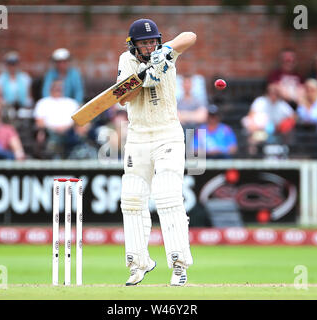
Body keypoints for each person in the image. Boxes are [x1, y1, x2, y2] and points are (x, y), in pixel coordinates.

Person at [117, 18, 196, 286]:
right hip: (137, 136)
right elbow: (122, 98)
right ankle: (138, 263)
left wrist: (166, 50)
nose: (150, 46)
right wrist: (143, 76)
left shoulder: (166, 53)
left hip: (168, 134)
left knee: (168, 196)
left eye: (154, 41)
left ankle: (179, 264)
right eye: (144, 43)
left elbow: (191, 35)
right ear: (133, 46)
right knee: (131, 200)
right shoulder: (126, 61)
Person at [242, 83, 296, 154]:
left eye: (275, 93)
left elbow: (293, 117)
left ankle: (287, 155)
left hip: (278, 132)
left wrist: (281, 126)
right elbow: (250, 116)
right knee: (252, 140)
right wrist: (258, 126)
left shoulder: (282, 105)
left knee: (288, 133)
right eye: (271, 93)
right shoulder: (260, 101)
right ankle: (252, 158)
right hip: (262, 131)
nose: (273, 95)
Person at [34, 80, 79, 159]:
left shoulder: (72, 103)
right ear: (51, 89)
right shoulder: (43, 102)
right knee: (49, 137)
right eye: (55, 87)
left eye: (59, 88)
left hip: (69, 132)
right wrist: (55, 129)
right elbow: (39, 122)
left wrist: (65, 128)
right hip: (50, 132)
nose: (58, 89)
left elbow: (78, 120)